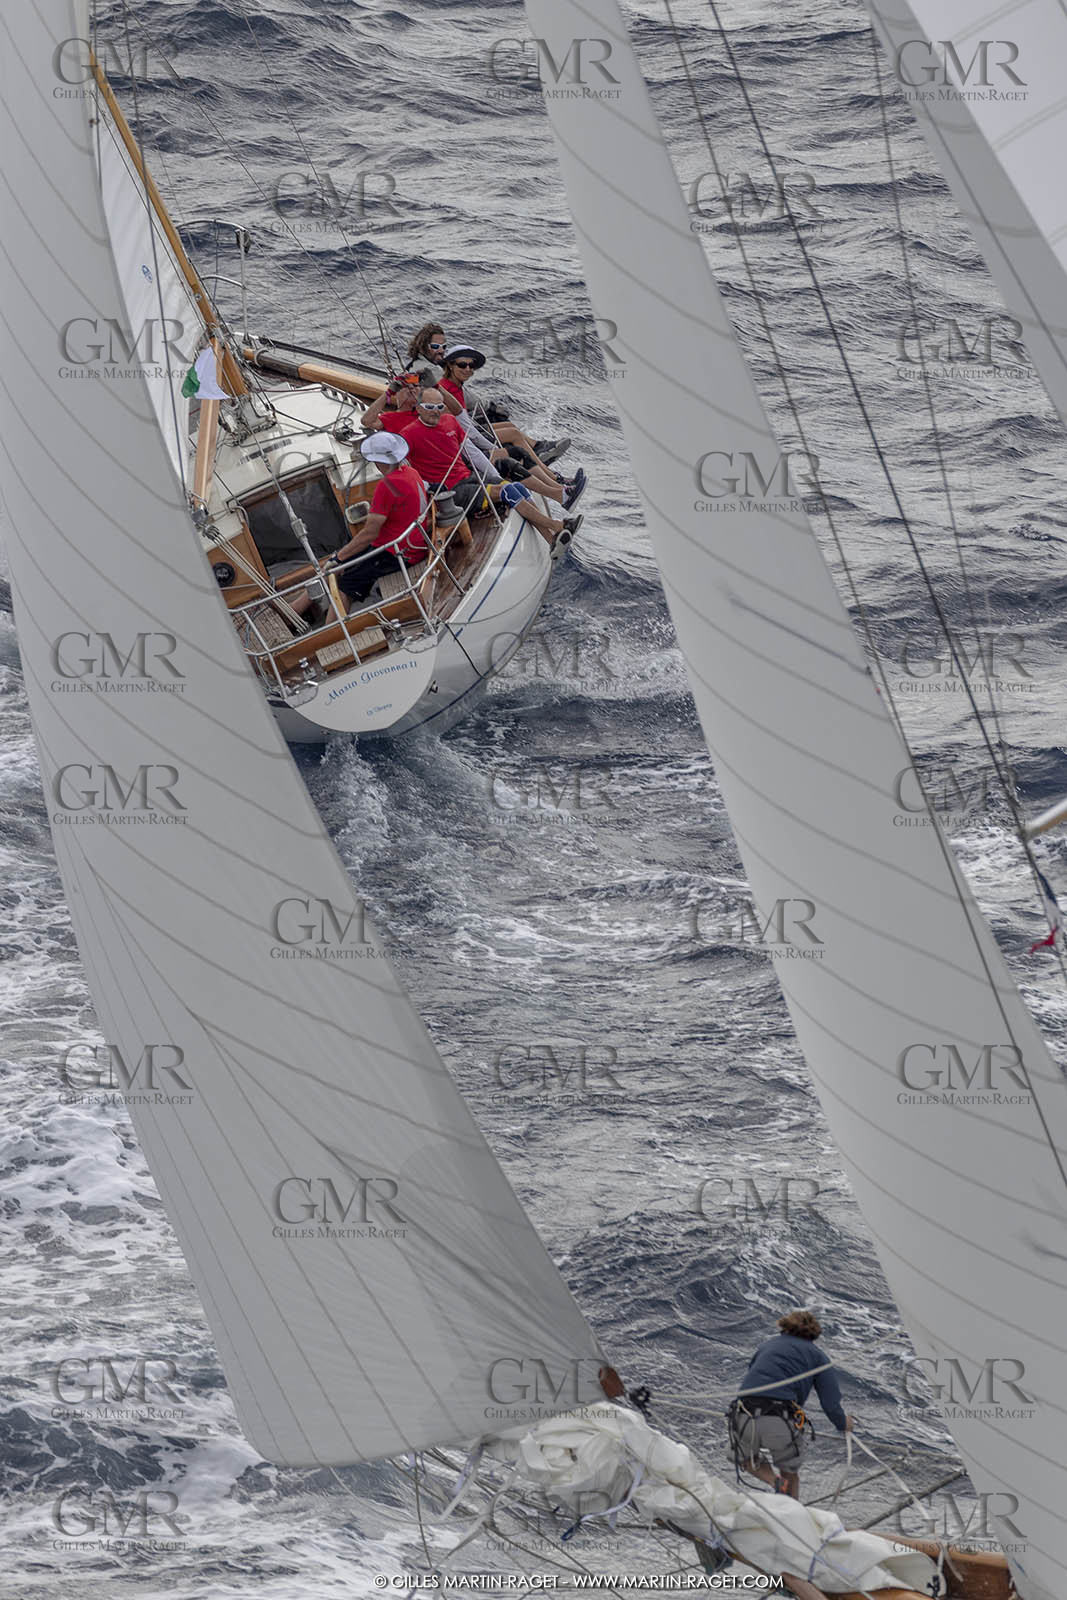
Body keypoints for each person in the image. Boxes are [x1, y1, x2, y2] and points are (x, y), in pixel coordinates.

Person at [727, 1310, 852, 1500]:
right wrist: (843, 1424)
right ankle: (792, 1515)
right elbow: (830, 1402)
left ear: (785, 1326)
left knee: (744, 1457)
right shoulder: (818, 1357)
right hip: (780, 1420)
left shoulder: (766, 1346)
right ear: (814, 1334)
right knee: (790, 1473)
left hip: (744, 1415)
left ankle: (773, 1481)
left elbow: (754, 1375)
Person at [325, 433, 430, 603]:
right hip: (413, 545)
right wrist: (340, 557)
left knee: (346, 584)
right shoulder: (411, 472)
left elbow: (370, 534)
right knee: (340, 566)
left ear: (378, 460)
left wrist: (338, 558)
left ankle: (333, 629)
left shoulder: (386, 486)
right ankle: (294, 612)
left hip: (398, 553)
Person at [440, 344, 572, 469]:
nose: (467, 369)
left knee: (510, 426)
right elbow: (459, 424)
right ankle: (541, 465)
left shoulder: (455, 386)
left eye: (471, 365)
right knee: (513, 434)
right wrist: (492, 446)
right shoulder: (448, 389)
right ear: (450, 366)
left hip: (467, 430)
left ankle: (538, 447)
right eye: (462, 365)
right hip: (462, 438)